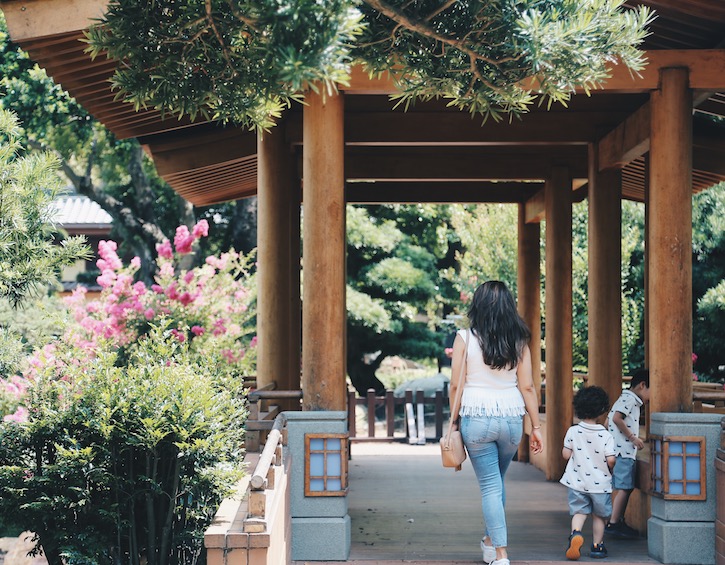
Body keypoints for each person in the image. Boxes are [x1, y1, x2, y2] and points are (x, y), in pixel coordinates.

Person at [450, 281, 543, 565]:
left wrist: (453, 423)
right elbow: (527, 387)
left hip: (476, 418)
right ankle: (490, 541)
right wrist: (536, 427)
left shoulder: (464, 337)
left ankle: (500, 554)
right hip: (512, 419)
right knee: (497, 482)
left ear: (477, 305)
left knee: (491, 486)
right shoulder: (519, 341)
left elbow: (456, 386)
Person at [561, 386, 616, 560]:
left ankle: (576, 533)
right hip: (600, 484)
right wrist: (611, 468)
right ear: (602, 410)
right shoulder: (606, 435)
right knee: (599, 516)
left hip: (577, 482)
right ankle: (597, 547)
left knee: (579, 512)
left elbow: (565, 454)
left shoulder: (573, 431)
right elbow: (611, 460)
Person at [605, 369, 650, 539]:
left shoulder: (623, 398)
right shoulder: (630, 399)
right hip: (623, 451)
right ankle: (614, 523)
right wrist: (632, 438)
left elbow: (608, 420)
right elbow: (617, 418)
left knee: (624, 487)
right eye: (651, 391)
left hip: (617, 450)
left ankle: (618, 520)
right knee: (625, 488)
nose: (651, 397)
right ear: (642, 385)